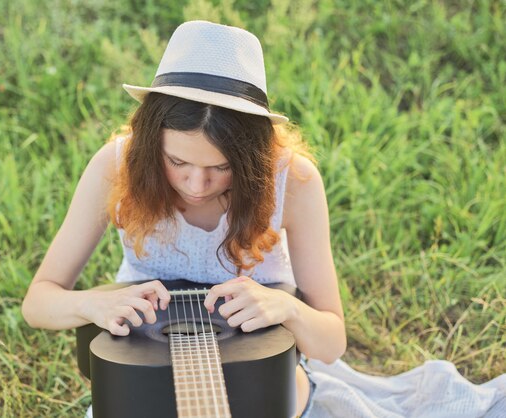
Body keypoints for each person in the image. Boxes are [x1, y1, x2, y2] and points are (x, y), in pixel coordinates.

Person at [22, 20, 346, 417]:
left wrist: (288, 307)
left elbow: (332, 342)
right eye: (177, 161)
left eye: (222, 167)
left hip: (260, 368)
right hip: (148, 361)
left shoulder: (291, 180)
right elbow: (38, 302)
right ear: (150, 139)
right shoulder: (116, 165)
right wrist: (93, 305)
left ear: (252, 158)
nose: (197, 184)